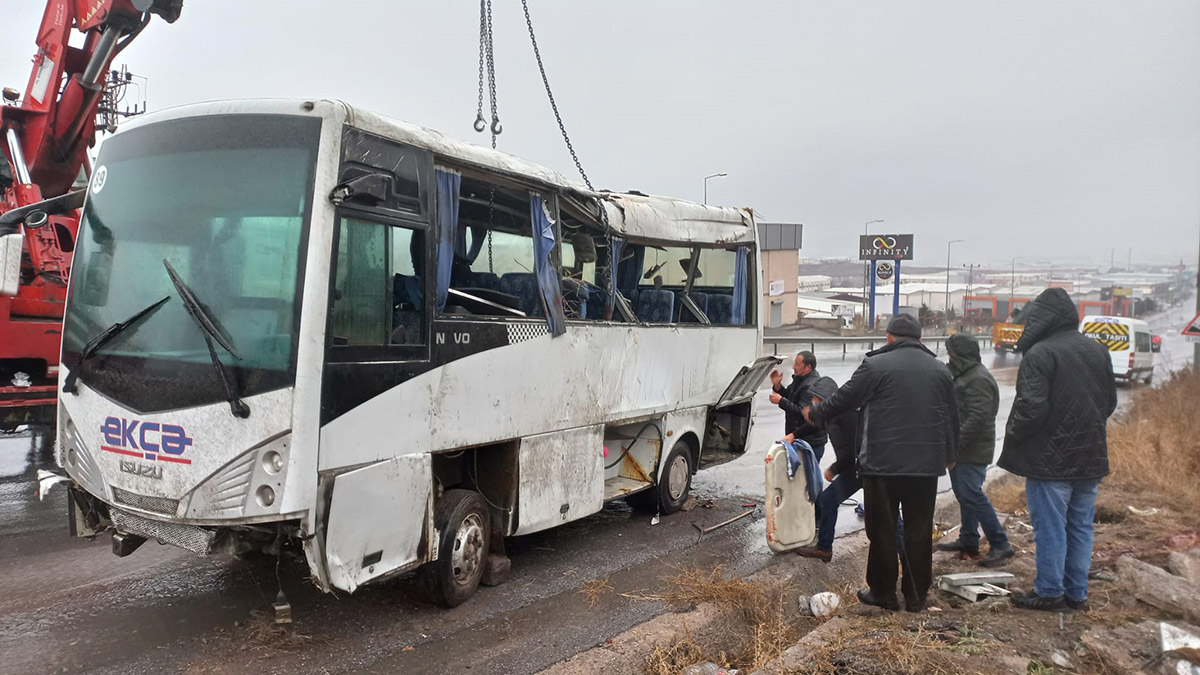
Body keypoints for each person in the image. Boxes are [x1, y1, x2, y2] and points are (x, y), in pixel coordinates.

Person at [805, 313, 957, 612]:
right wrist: (951, 454)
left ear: (889, 337)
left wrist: (817, 414)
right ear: (920, 339)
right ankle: (915, 597)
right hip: (925, 467)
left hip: (882, 464)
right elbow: (952, 416)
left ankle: (884, 594)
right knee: (918, 529)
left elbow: (844, 398)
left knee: (883, 529)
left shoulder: (875, 365)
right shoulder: (940, 370)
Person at [999, 288, 1117, 612]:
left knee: (1050, 528)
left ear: (1041, 317)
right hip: (1091, 457)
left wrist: (1013, 433)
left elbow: (1032, 408)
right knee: (1080, 527)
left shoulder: (1039, 354)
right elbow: (1109, 403)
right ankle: (1076, 595)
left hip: (1049, 463)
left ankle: (1050, 592)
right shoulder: (1098, 350)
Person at [936, 334, 1013, 566]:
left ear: (959, 355)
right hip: (966, 448)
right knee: (965, 496)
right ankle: (969, 540)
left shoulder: (977, 378)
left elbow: (977, 418)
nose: (948, 357)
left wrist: (954, 447)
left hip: (972, 449)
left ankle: (1001, 544)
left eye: (951, 353)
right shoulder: (966, 374)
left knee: (972, 494)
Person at [792, 376, 859, 563]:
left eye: (816, 399)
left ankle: (908, 555)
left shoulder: (845, 416)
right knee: (827, 500)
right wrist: (793, 435)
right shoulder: (831, 414)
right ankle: (824, 548)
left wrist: (833, 469)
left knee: (889, 518)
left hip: (867, 470)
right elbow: (813, 426)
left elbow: (852, 451)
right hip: (856, 469)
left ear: (826, 399)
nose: (813, 402)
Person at [768, 352, 827, 460]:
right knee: (800, 475)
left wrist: (781, 401)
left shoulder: (810, 386)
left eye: (797, 364)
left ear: (808, 367)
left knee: (807, 476)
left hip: (810, 443)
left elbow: (802, 412)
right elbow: (791, 397)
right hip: (800, 440)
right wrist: (778, 387)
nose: (793, 367)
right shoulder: (800, 379)